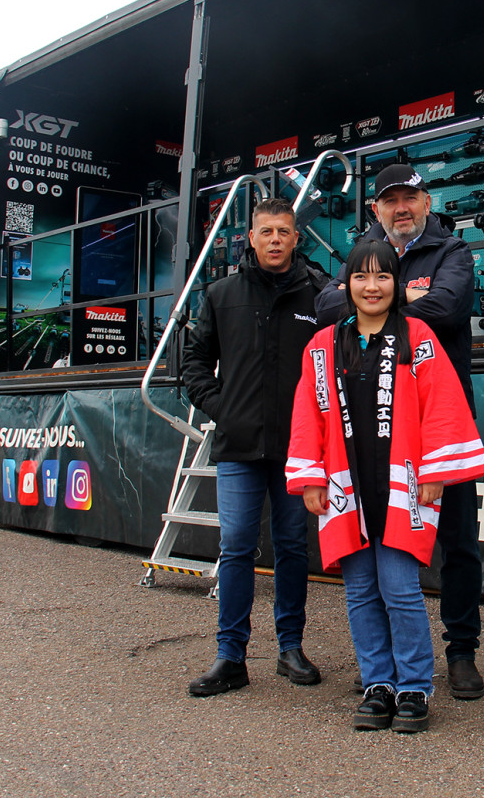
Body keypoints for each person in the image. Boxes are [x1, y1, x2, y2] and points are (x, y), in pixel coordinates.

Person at [289, 239, 484, 733]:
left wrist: (438, 473)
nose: (372, 286)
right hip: (345, 486)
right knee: (359, 590)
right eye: (361, 276)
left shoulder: (417, 335)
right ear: (347, 285)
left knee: (400, 589)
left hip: (402, 485)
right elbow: (307, 414)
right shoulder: (323, 345)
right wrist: (310, 477)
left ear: (397, 284)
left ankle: (415, 687)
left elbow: (442, 406)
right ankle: (378, 682)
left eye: (383, 276)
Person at [316, 163, 484, 699]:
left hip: (436, 429)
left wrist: (377, 298)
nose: (401, 208)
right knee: (377, 550)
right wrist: (398, 294)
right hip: (369, 436)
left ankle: (460, 653)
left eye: (410, 197)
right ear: (376, 209)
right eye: (390, 201)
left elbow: (449, 307)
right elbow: (323, 306)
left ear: (427, 201)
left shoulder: (453, 251)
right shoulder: (363, 248)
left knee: (457, 544)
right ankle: (385, 670)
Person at [181, 197, 329, 697]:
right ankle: (231, 658)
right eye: (266, 232)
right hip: (240, 446)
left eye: (284, 232)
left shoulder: (319, 294)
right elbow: (194, 362)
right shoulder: (222, 294)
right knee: (237, 547)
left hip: (298, 449)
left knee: (292, 547)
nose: (275, 240)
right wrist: (223, 409)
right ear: (250, 237)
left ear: (295, 237)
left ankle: (291, 648)